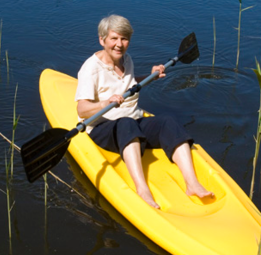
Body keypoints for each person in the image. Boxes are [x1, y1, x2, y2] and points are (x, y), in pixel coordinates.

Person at [75, 15, 214, 209]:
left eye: (124, 39)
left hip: (133, 120)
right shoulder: (90, 69)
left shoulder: (126, 58)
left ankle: (192, 183)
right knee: (126, 123)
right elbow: (82, 109)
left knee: (167, 121)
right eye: (114, 38)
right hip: (102, 127)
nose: (119, 44)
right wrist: (104, 102)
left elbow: (130, 83)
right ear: (102, 40)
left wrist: (150, 76)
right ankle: (142, 189)